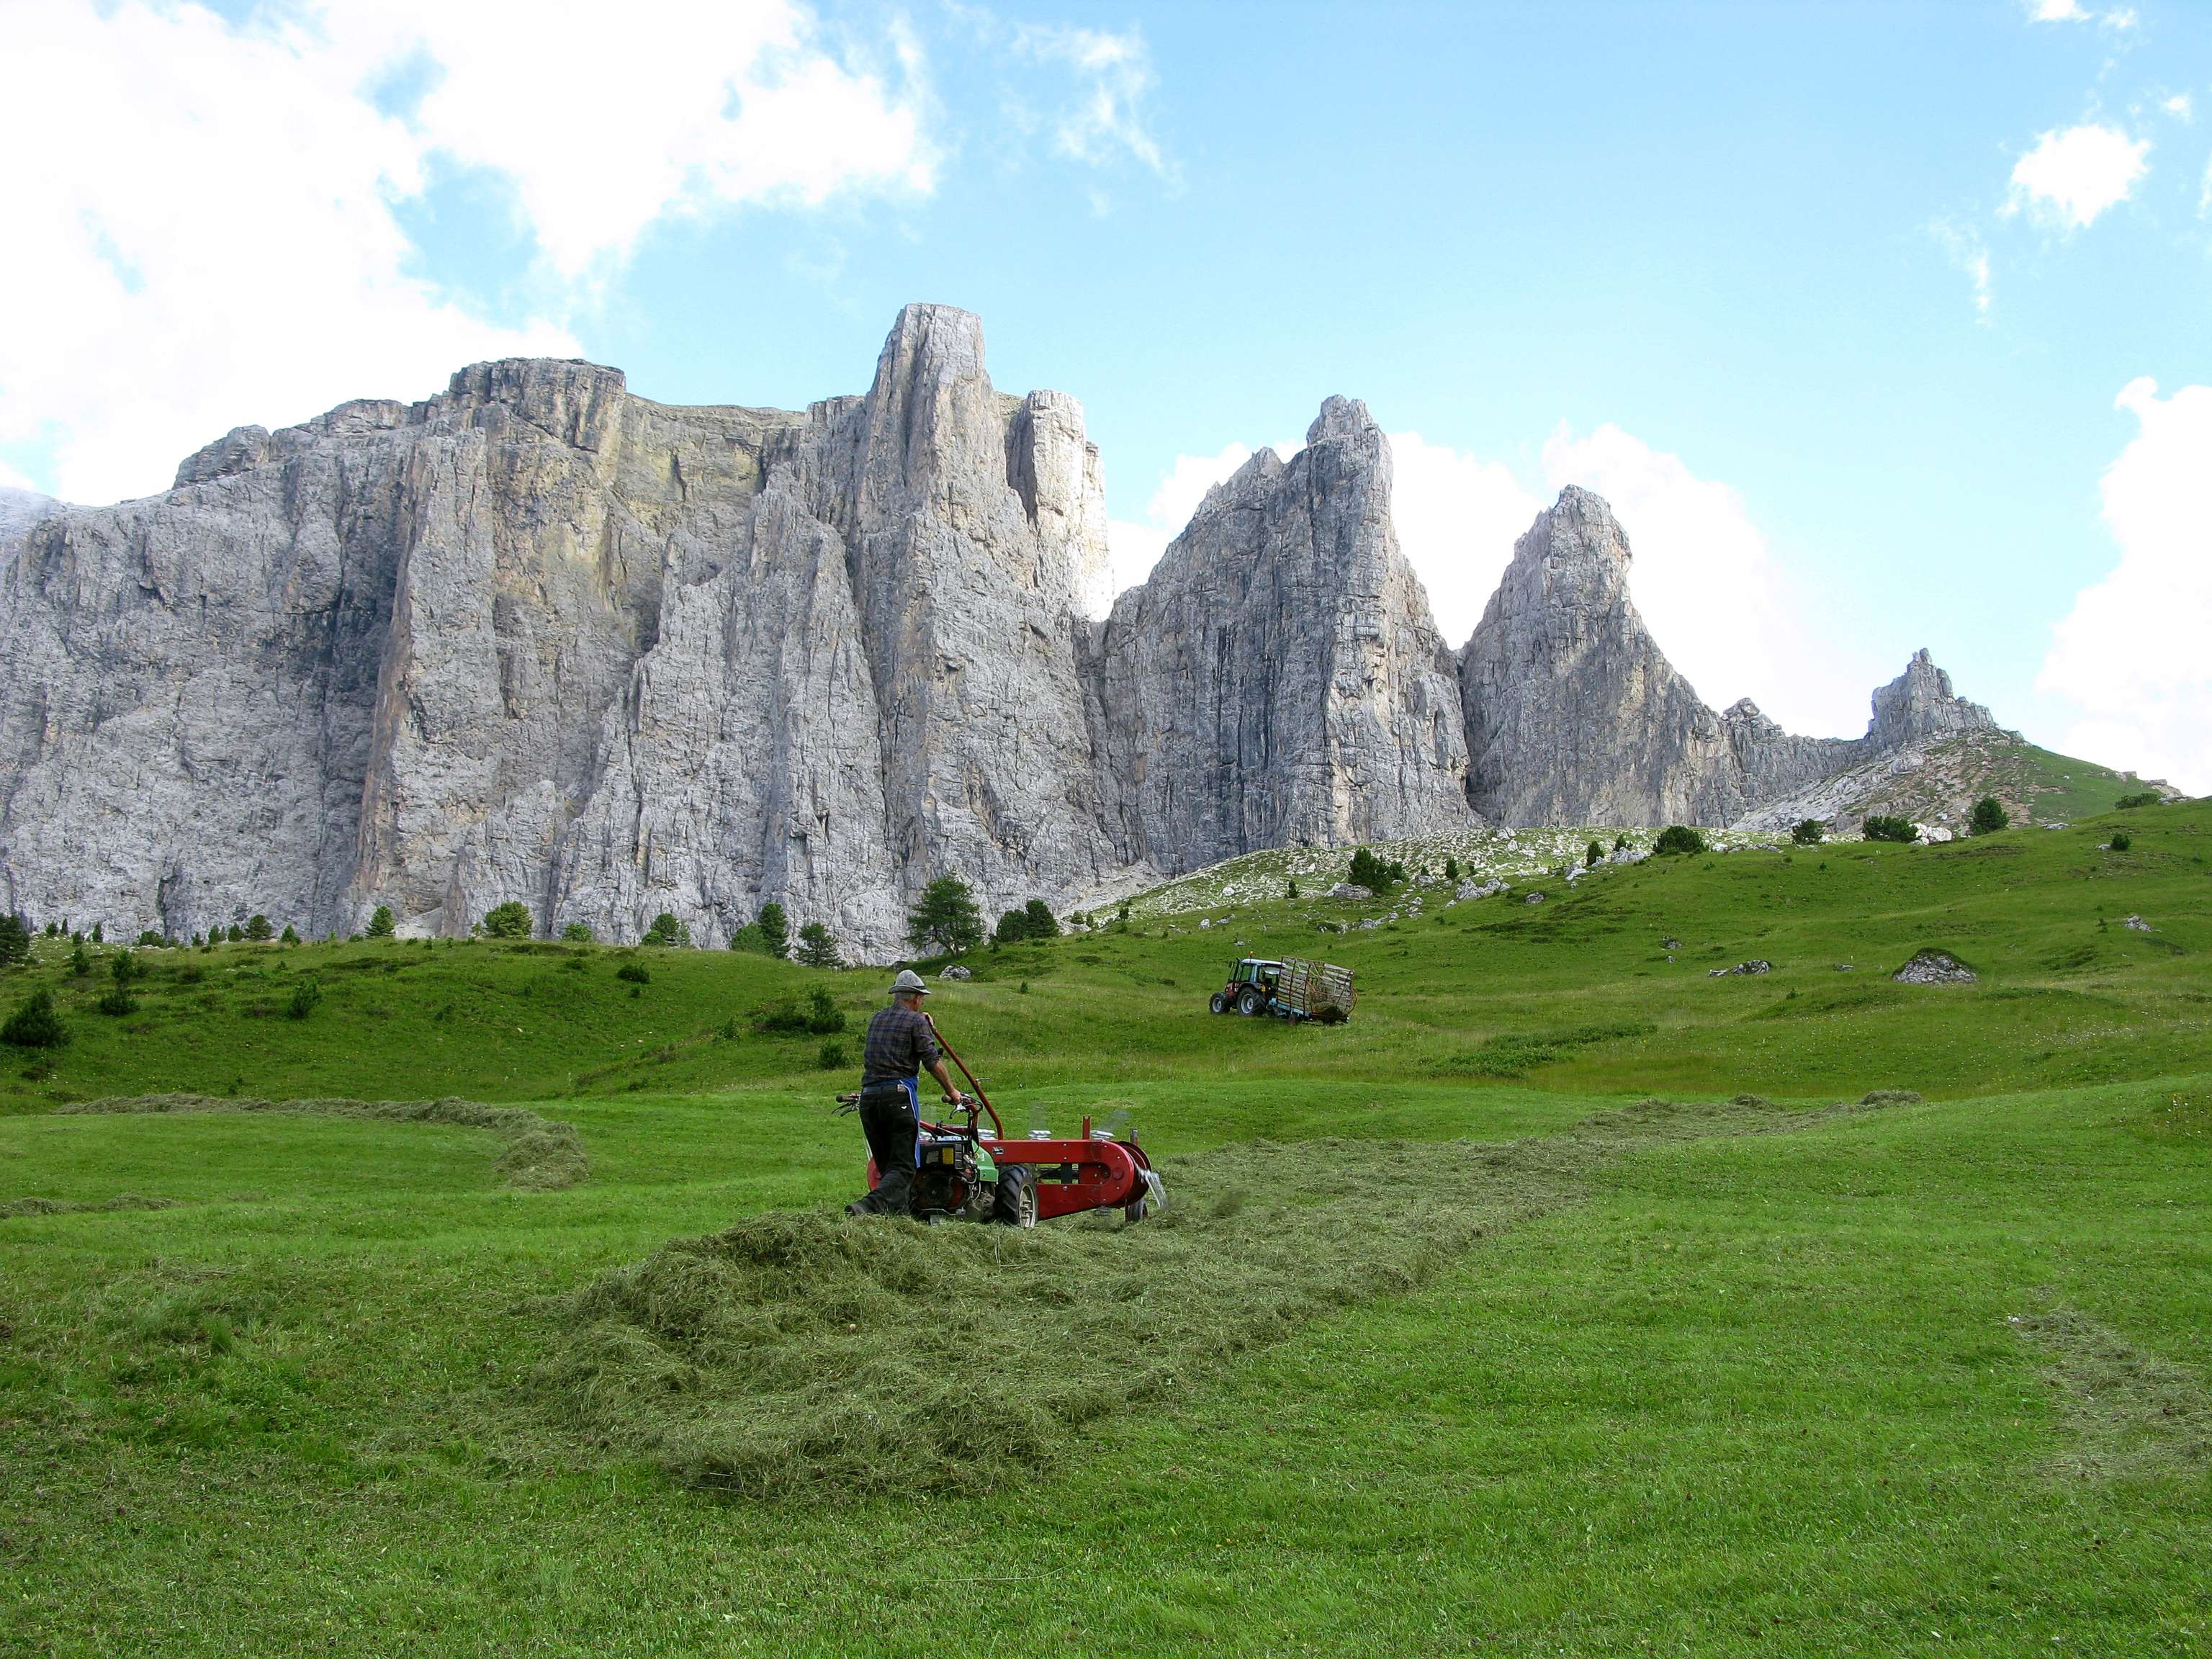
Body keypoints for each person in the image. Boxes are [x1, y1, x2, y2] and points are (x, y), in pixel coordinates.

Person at [847, 969, 969, 1217]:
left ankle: (900, 1221)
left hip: (869, 1099)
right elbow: (932, 1061)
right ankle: (865, 1207)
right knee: (904, 1168)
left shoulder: (876, 1020)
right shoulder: (916, 1022)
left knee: (888, 1169)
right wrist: (953, 1092)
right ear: (915, 998)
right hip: (898, 1097)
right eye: (921, 998)